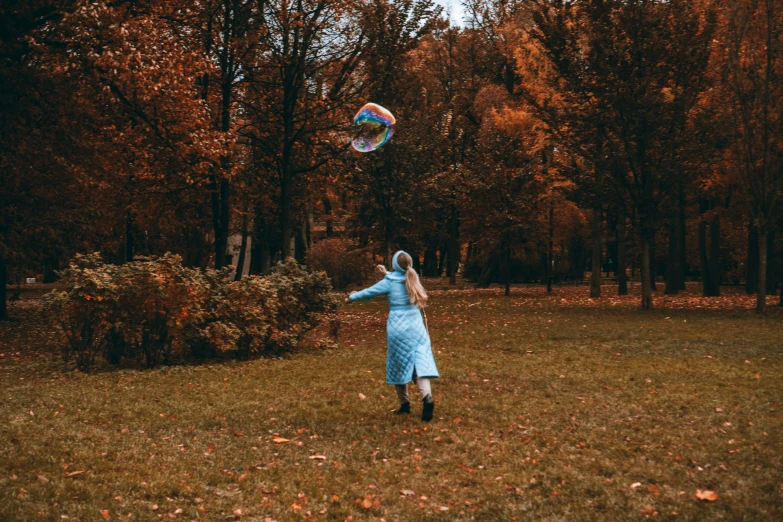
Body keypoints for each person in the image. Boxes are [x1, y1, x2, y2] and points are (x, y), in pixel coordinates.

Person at [345, 251, 439, 421]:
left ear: (395, 265)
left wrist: (351, 297)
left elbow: (369, 292)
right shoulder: (412, 276)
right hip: (417, 327)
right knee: (420, 364)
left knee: (398, 363)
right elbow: (398, 278)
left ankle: (404, 405)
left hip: (399, 328)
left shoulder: (389, 282)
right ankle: (427, 398)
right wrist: (386, 273)